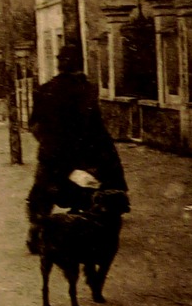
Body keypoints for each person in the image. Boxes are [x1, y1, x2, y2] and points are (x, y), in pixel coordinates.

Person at [26, 44, 128, 253]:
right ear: (79, 64)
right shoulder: (87, 90)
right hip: (85, 153)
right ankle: (94, 232)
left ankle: (36, 233)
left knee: (42, 194)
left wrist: (48, 144)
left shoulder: (45, 90)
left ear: (59, 63)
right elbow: (94, 125)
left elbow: (35, 126)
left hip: (54, 154)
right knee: (101, 188)